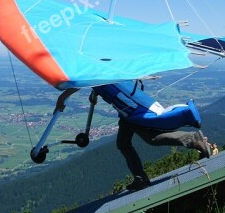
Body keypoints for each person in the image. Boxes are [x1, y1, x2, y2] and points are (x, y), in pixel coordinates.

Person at [57, 82, 211, 192]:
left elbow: (80, 81)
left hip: (134, 110)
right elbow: (101, 83)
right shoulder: (103, 66)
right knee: (123, 143)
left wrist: (62, 97)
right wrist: (94, 92)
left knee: (152, 139)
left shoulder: (95, 70)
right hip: (128, 110)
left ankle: (192, 139)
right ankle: (140, 179)